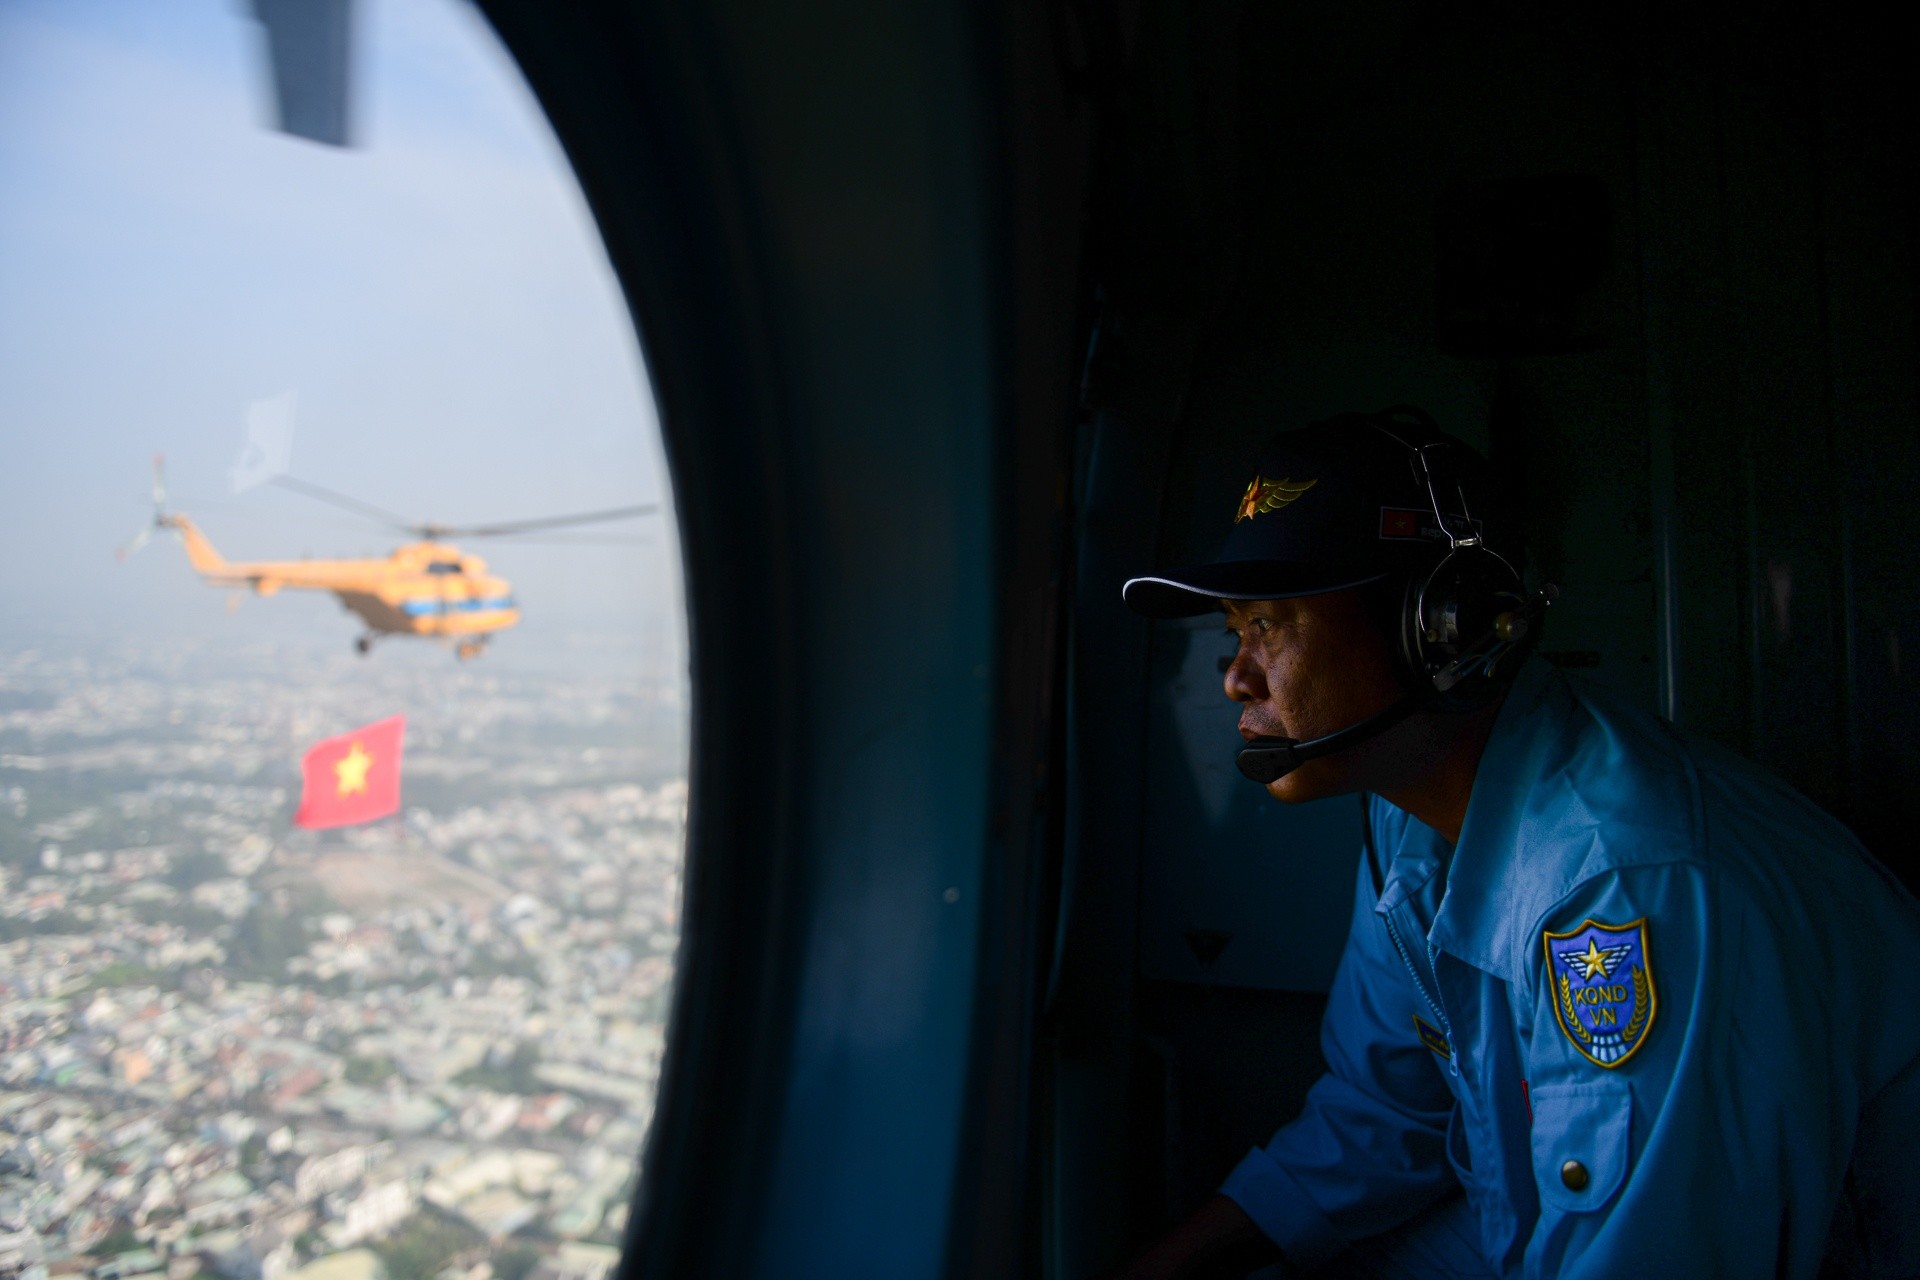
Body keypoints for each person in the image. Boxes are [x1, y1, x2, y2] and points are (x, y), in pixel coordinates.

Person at [1108, 407, 1920, 1278]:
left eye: (1269, 625)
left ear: (1441, 629)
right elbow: (1387, 1116)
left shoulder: (1619, 884)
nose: (1235, 674)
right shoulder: (1406, 813)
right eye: (1235, 632)